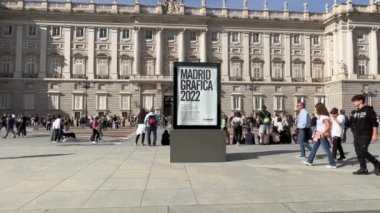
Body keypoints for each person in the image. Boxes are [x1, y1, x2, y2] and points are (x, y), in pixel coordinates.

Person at [351, 95, 380, 176]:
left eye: (355, 101)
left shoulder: (368, 110)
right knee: (358, 152)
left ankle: (377, 163)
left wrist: (374, 134)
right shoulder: (357, 111)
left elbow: (374, 123)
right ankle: (363, 168)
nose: (353, 102)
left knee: (363, 151)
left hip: (366, 134)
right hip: (357, 135)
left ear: (360, 101)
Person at [302, 103, 337, 169]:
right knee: (314, 148)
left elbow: (328, 126)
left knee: (326, 149)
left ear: (319, 108)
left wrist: (323, 133)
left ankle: (333, 163)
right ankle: (309, 161)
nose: (315, 109)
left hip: (321, 134)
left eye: (316, 108)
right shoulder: (320, 116)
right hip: (318, 134)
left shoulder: (324, 117)